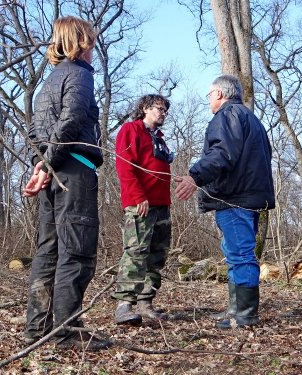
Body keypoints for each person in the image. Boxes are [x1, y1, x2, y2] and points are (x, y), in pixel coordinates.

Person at [22, 16, 108, 351]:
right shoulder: (80, 75)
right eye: (90, 41)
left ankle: (38, 330)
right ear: (80, 41)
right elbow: (71, 119)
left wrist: (40, 166)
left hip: (53, 173)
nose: (93, 48)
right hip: (73, 172)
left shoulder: (49, 82)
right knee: (76, 250)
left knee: (49, 251)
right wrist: (47, 164)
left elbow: (34, 132)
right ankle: (65, 333)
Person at [175, 74, 275, 329]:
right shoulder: (250, 118)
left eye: (209, 95)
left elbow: (222, 153)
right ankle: (235, 309)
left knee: (241, 254)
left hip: (234, 198)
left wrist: (194, 176)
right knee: (234, 252)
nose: (209, 100)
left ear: (219, 94)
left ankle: (245, 314)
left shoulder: (228, 116)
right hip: (246, 197)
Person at [112, 94, 173, 325]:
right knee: (136, 252)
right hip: (140, 204)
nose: (163, 113)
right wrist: (138, 196)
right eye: (159, 108)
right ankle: (124, 305)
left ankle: (146, 304)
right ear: (145, 108)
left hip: (162, 205)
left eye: (165, 110)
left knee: (157, 255)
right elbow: (124, 165)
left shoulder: (158, 138)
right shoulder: (131, 130)